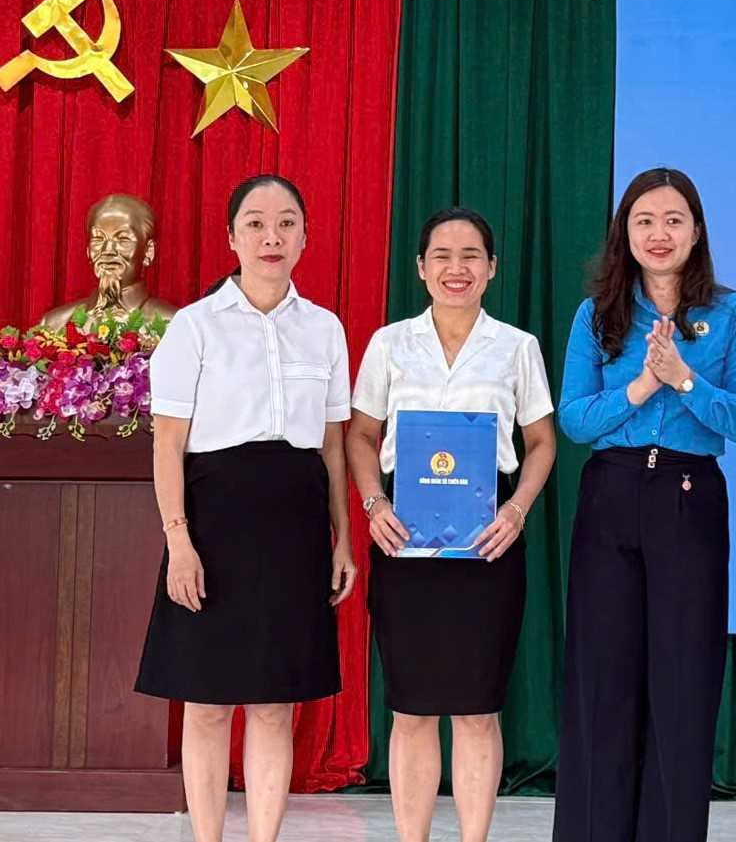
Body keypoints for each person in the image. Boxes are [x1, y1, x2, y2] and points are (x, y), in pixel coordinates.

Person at [135, 174, 355, 842]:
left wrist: (342, 538)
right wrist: (179, 540)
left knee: (273, 705)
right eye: (255, 223)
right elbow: (168, 445)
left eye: (286, 222)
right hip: (213, 519)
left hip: (295, 525)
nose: (271, 235)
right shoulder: (193, 328)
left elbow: (333, 446)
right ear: (231, 237)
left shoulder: (324, 329)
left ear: (305, 237)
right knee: (205, 703)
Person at [553, 167, 736, 842]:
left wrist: (686, 379)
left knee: (682, 682)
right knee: (603, 680)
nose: (660, 233)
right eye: (645, 220)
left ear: (697, 230)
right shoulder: (598, 314)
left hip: (687, 499)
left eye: (674, 219)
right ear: (625, 231)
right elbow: (576, 419)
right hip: (611, 495)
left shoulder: (733, 313)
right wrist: (644, 386)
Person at [346, 207, 558, 842]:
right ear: (420, 267)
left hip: (488, 538)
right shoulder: (389, 343)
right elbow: (360, 436)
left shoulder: (518, 347)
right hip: (403, 533)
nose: (456, 268)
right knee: (410, 709)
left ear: (492, 269)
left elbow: (542, 441)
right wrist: (372, 505)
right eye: (442, 255)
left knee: (476, 709)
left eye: (471, 256)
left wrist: (516, 510)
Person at [38, 193, 180, 330]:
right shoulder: (54, 325)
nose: (108, 249)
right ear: (88, 250)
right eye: (98, 239)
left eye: (123, 239)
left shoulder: (174, 325)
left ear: (148, 251)